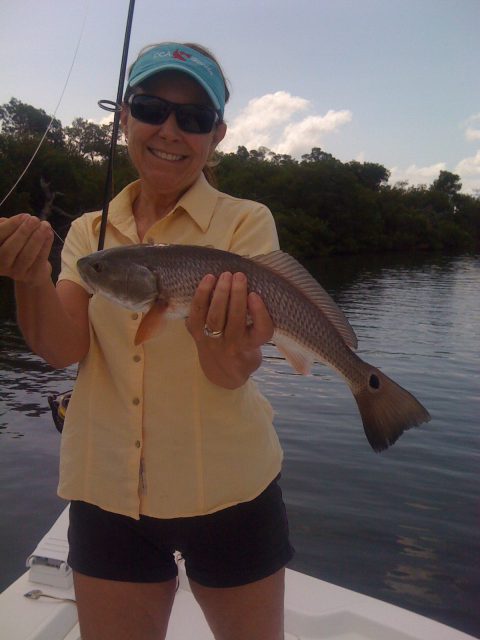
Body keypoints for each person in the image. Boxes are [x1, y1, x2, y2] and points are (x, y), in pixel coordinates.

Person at [0, 42, 294, 640]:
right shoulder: (89, 233)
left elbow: (231, 372)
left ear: (217, 136)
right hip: (106, 494)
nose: (170, 129)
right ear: (124, 118)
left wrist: (223, 335)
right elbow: (62, 348)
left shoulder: (245, 222)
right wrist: (29, 277)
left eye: (193, 117)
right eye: (151, 107)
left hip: (231, 489)